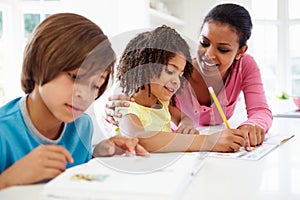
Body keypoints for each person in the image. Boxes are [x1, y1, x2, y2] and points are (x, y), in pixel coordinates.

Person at [0, 13, 148, 190]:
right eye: (75, 77)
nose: (85, 95)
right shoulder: (4, 131)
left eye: (95, 85)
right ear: (39, 62)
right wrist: (7, 179)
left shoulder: (83, 126)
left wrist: (98, 152)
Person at [105, 3, 273, 148]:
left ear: (240, 51)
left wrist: (251, 126)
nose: (208, 55)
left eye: (223, 49)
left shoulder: (245, 66)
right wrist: (207, 142)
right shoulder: (164, 78)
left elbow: (260, 110)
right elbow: (134, 94)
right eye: (204, 43)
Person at [114, 25, 248, 153]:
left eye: (180, 75)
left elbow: (185, 118)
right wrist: (207, 142)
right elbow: (139, 138)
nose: (176, 81)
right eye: (170, 71)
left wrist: (186, 125)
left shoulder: (162, 103)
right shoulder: (126, 107)